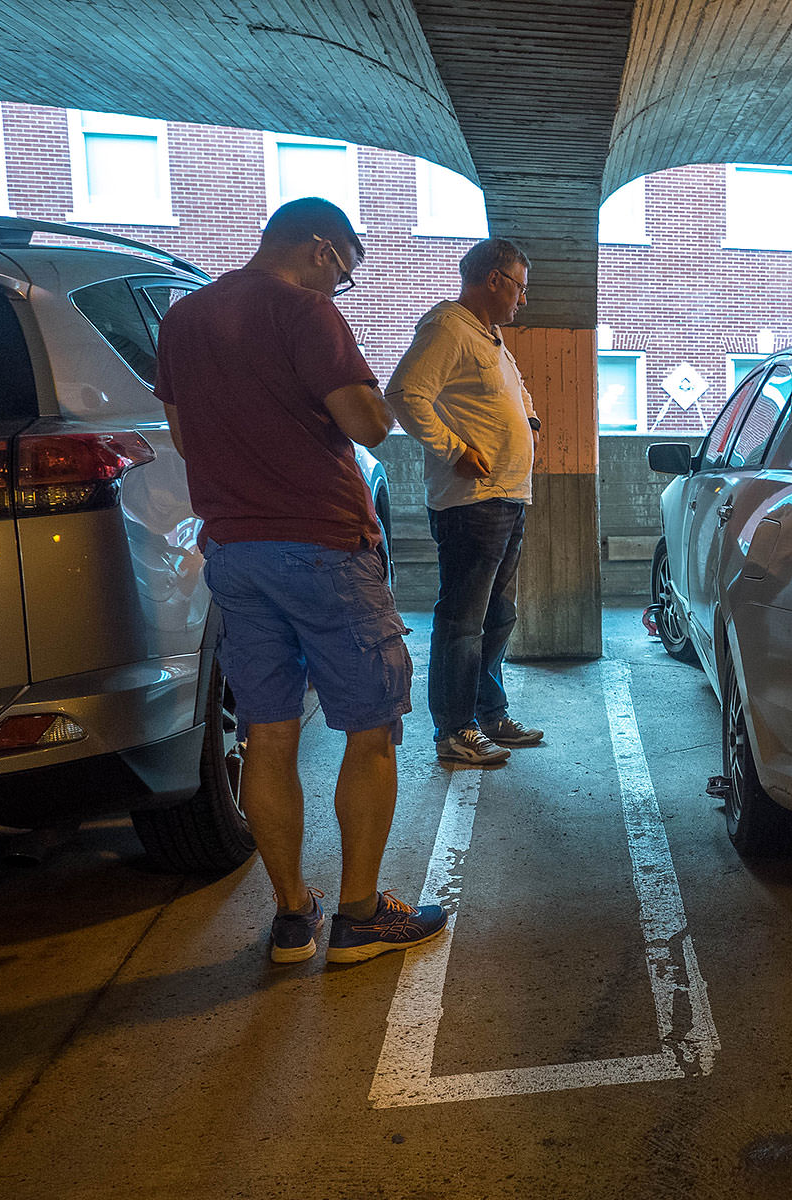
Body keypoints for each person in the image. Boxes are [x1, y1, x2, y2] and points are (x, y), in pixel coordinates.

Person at [154, 196, 447, 966]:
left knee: (269, 736)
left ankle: (292, 919)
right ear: (321, 248)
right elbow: (368, 424)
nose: (339, 289)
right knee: (371, 727)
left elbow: (184, 435)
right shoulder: (305, 313)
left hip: (235, 556)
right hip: (322, 546)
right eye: (344, 273)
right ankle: (358, 917)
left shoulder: (184, 318)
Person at [386, 238, 544, 767]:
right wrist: (454, 449)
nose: (523, 300)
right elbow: (406, 393)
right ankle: (454, 730)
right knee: (463, 620)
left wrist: (532, 424)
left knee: (498, 615)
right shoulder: (449, 326)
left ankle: (489, 713)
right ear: (494, 279)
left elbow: (516, 393)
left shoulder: (489, 335)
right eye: (520, 287)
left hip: (506, 495)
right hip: (472, 502)